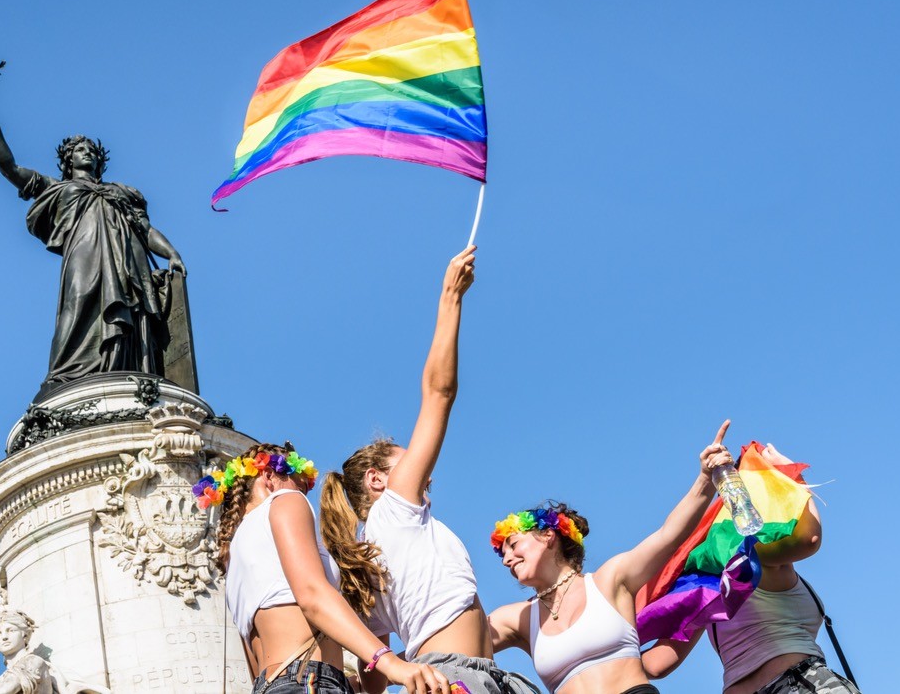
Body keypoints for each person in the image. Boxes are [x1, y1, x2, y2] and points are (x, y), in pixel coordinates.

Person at [319, 247, 533, 694]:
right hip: (455, 677)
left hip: (482, 678)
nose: (427, 472)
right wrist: (450, 297)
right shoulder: (394, 508)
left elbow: (374, 675)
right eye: (405, 458)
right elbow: (440, 392)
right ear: (378, 480)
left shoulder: (373, 553)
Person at [486, 422, 736, 694]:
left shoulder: (609, 580)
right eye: (502, 554)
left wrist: (704, 477)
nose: (506, 559)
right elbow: (452, 632)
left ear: (548, 536)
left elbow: (669, 535)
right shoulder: (517, 618)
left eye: (513, 544)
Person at [0, 94, 187, 390]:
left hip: (128, 258)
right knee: (79, 302)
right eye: (79, 149)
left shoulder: (121, 192)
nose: (87, 153)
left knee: (133, 313)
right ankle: (63, 377)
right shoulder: (58, 189)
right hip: (85, 253)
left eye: (91, 150)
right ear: (68, 159)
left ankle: (125, 370)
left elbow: (146, 230)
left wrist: (171, 253)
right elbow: (11, 168)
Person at [197, 443, 452, 694]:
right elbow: (312, 594)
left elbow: (254, 664)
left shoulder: (234, 558)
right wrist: (388, 661)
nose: (304, 492)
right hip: (309, 680)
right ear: (269, 476)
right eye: (299, 481)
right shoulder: (286, 501)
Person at [640, 444, 859, 694]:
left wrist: (600, 659)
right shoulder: (757, 559)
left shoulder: (705, 585)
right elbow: (809, 539)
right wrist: (791, 473)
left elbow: (658, 664)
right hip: (795, 684)